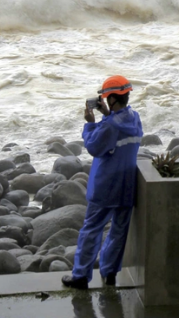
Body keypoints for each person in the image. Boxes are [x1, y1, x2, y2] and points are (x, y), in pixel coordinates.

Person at [62, 75, 143, 290]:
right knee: (118, 232)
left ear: (113, 99)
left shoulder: (109, 127)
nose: (105, 102)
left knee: (91, 230)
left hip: (106, 186)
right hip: (127, 186)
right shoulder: (134, 118)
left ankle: (80, 276)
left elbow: (94, 147)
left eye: (107, 100)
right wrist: (107, 114)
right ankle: (109, 274)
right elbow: (119, 126)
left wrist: (90, 125)